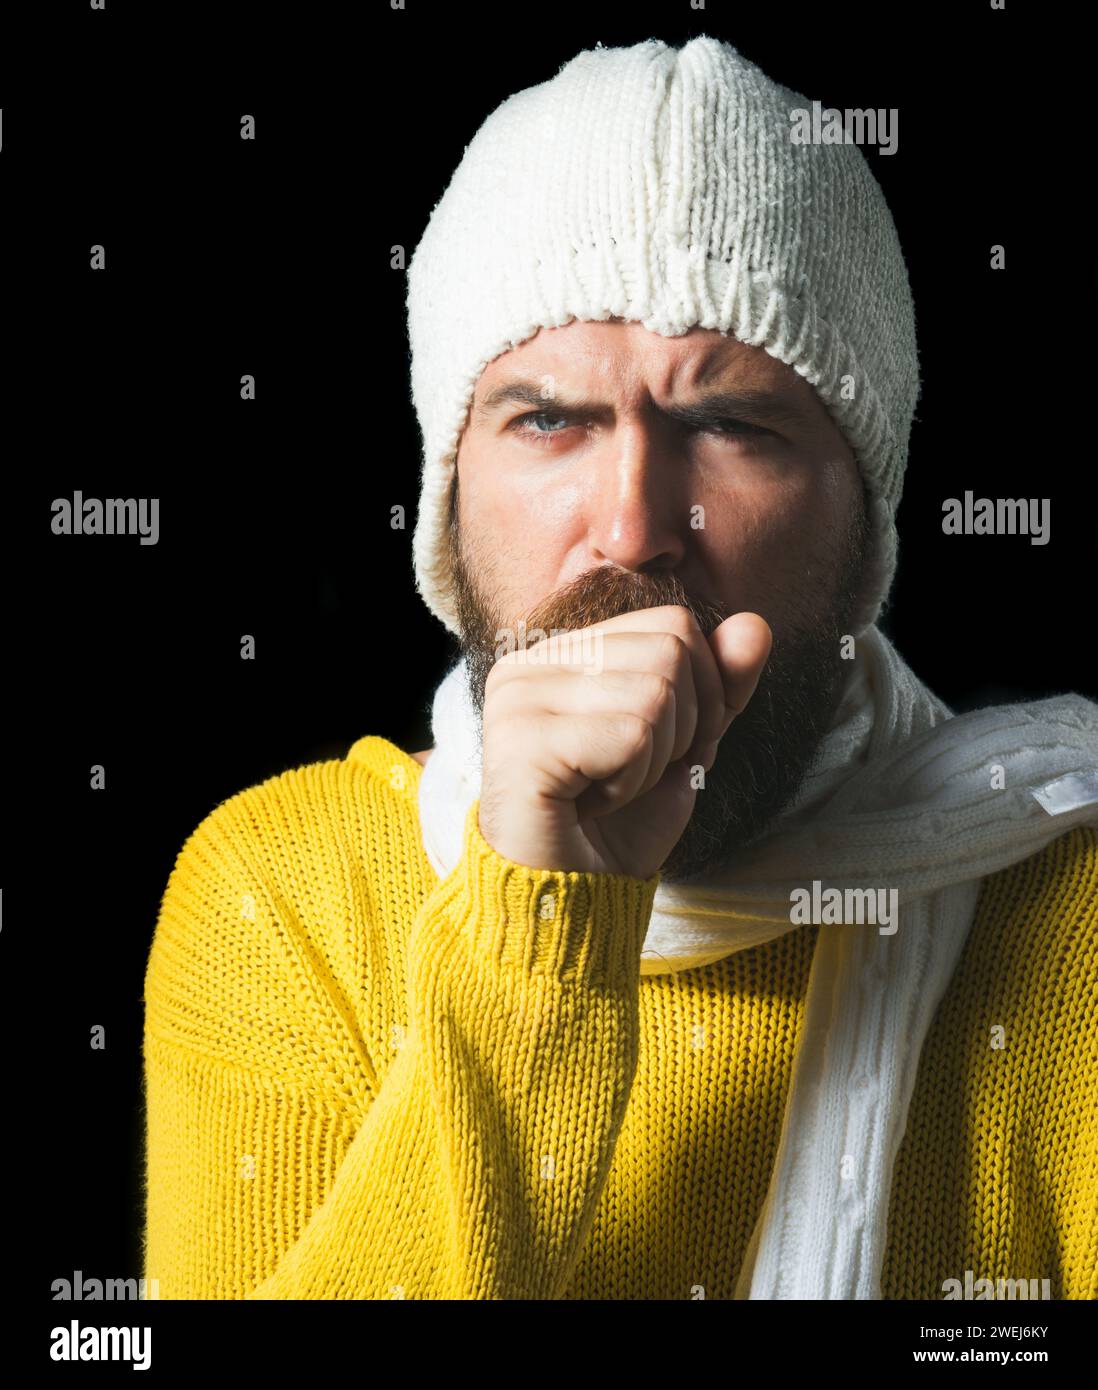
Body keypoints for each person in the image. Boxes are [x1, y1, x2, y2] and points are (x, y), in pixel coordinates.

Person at [142, 35, 1098, 1300]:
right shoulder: (285, 898)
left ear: (866, 521)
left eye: (730, 426)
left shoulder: (1072, 913)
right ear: (449, 499)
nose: (637, 523)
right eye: (550, 420)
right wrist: (540, 918)